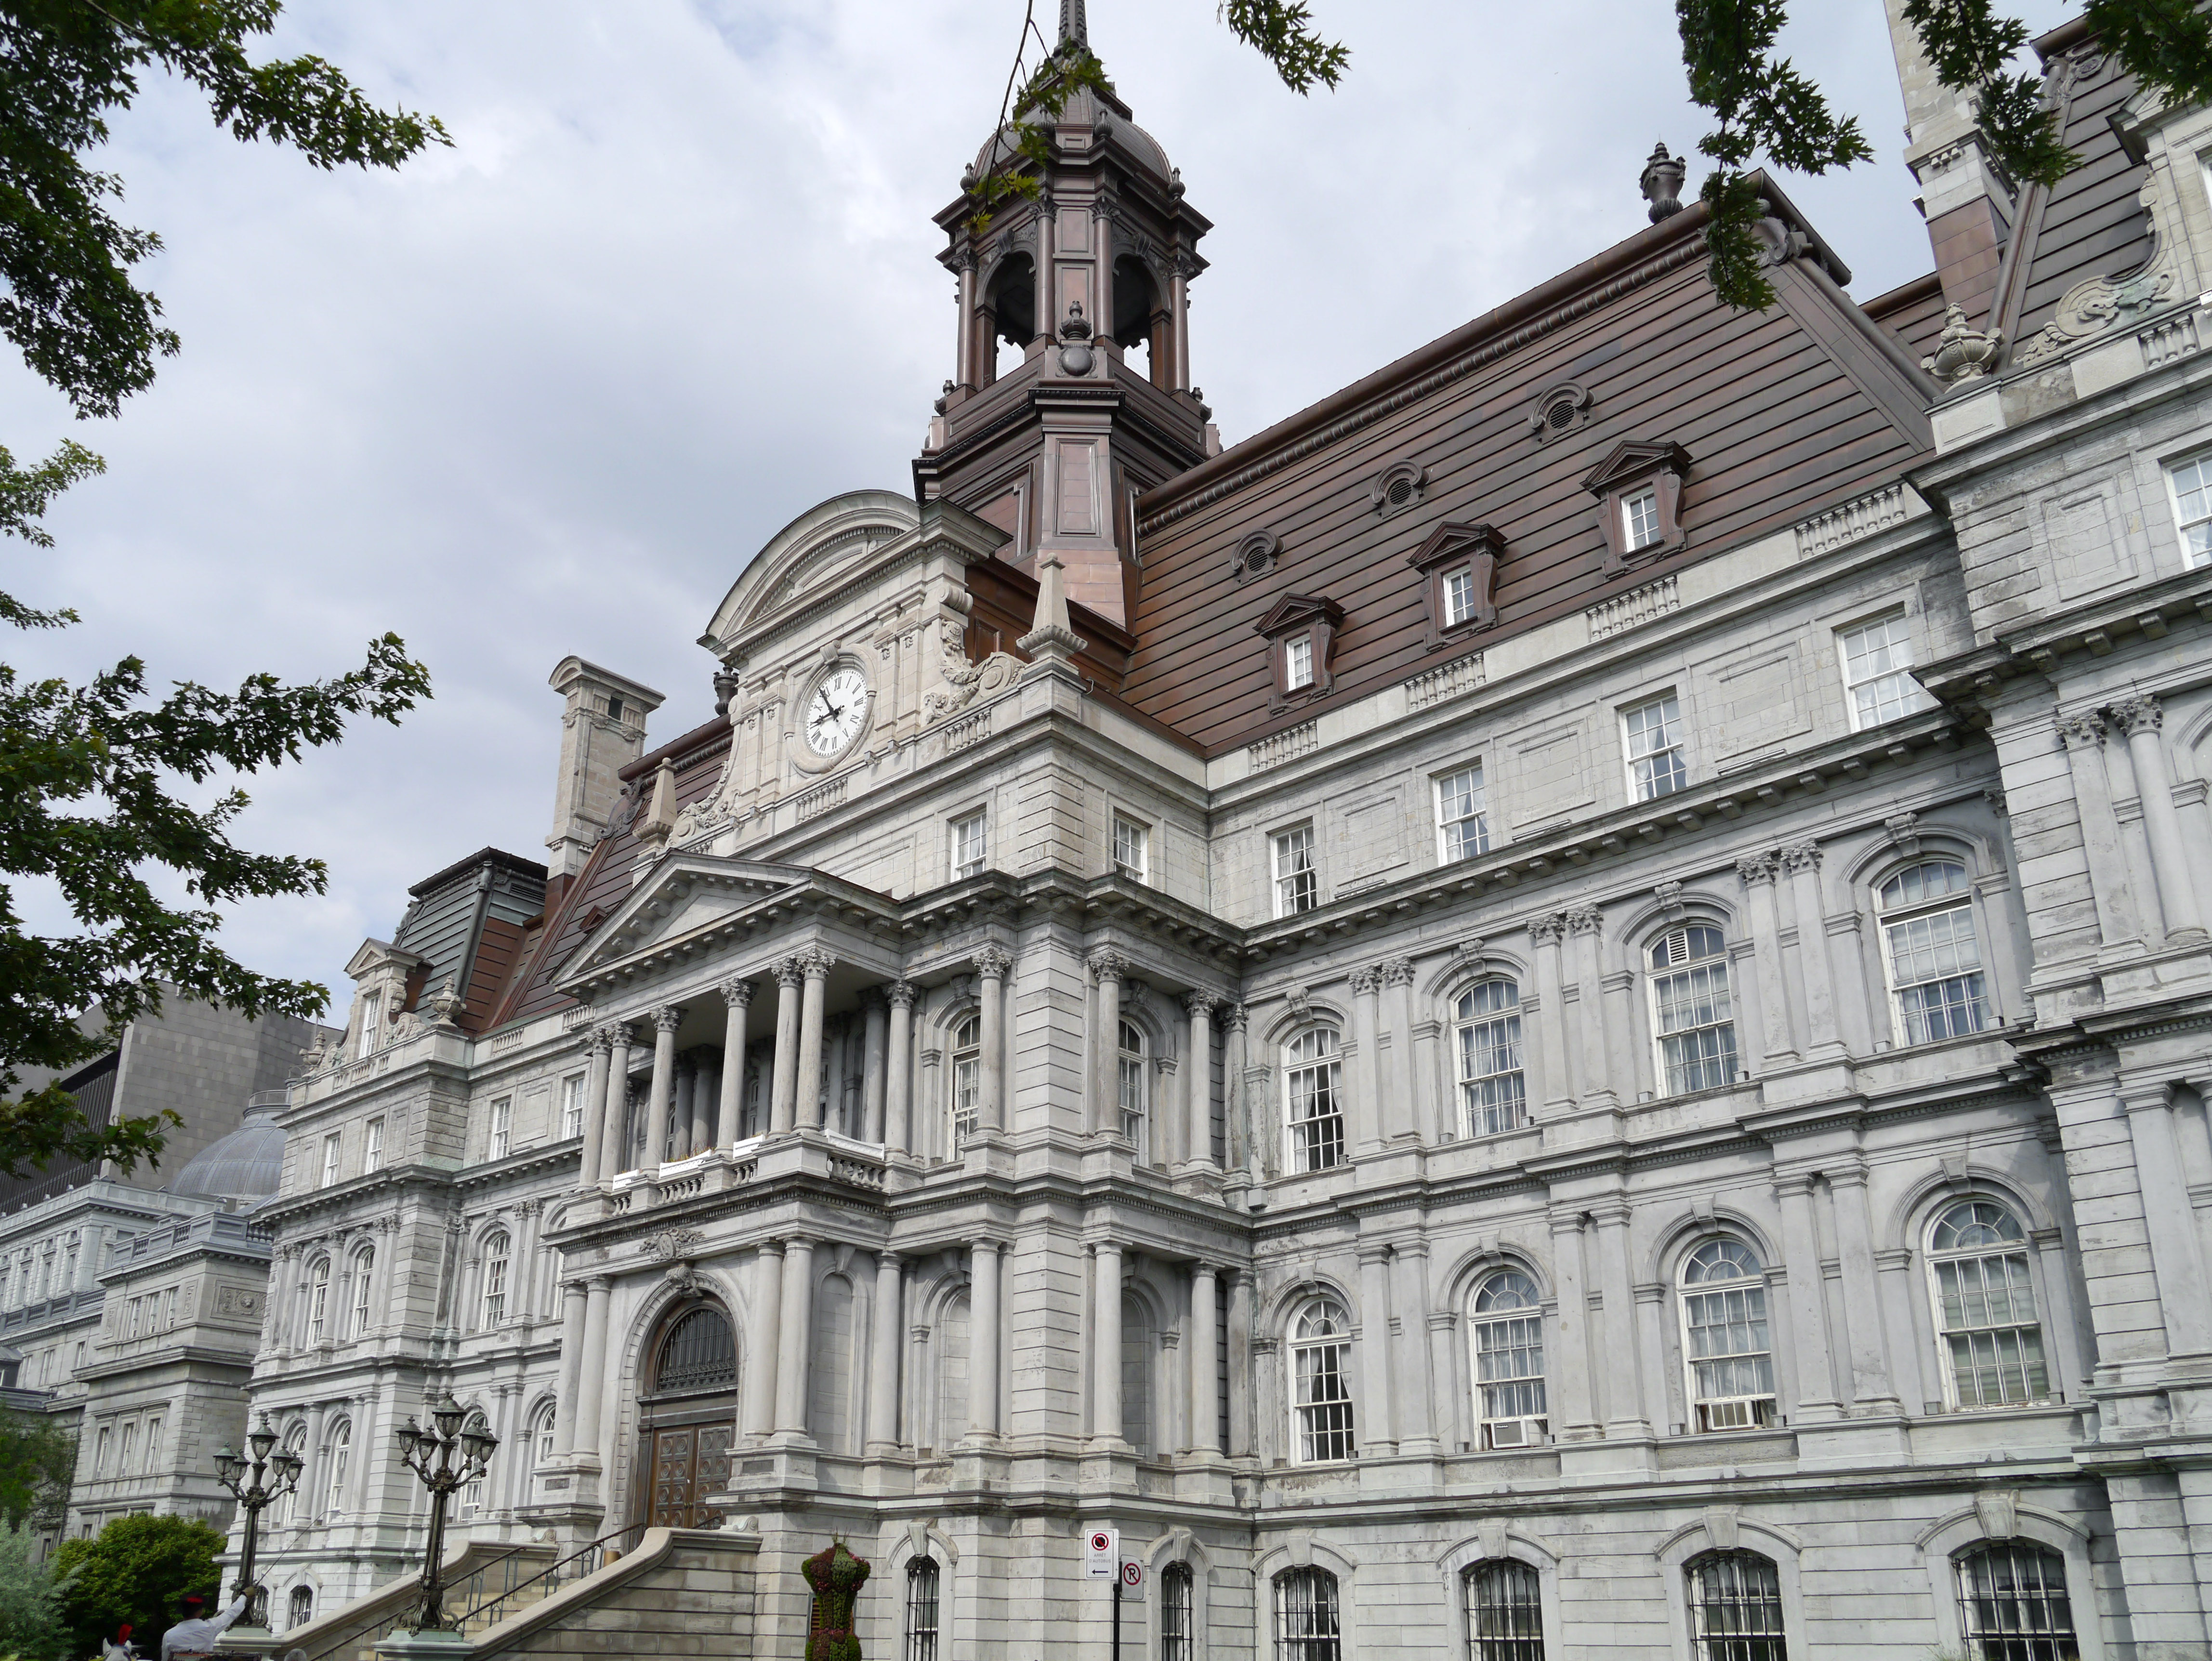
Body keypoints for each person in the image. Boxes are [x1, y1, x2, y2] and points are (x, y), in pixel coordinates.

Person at [159, 1590, 254, 1661]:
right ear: (200, 1611)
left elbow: (166, 1659)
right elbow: (232, 1613)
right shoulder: (210, 1627)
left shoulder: (169, 1635)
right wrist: (244, 1595)